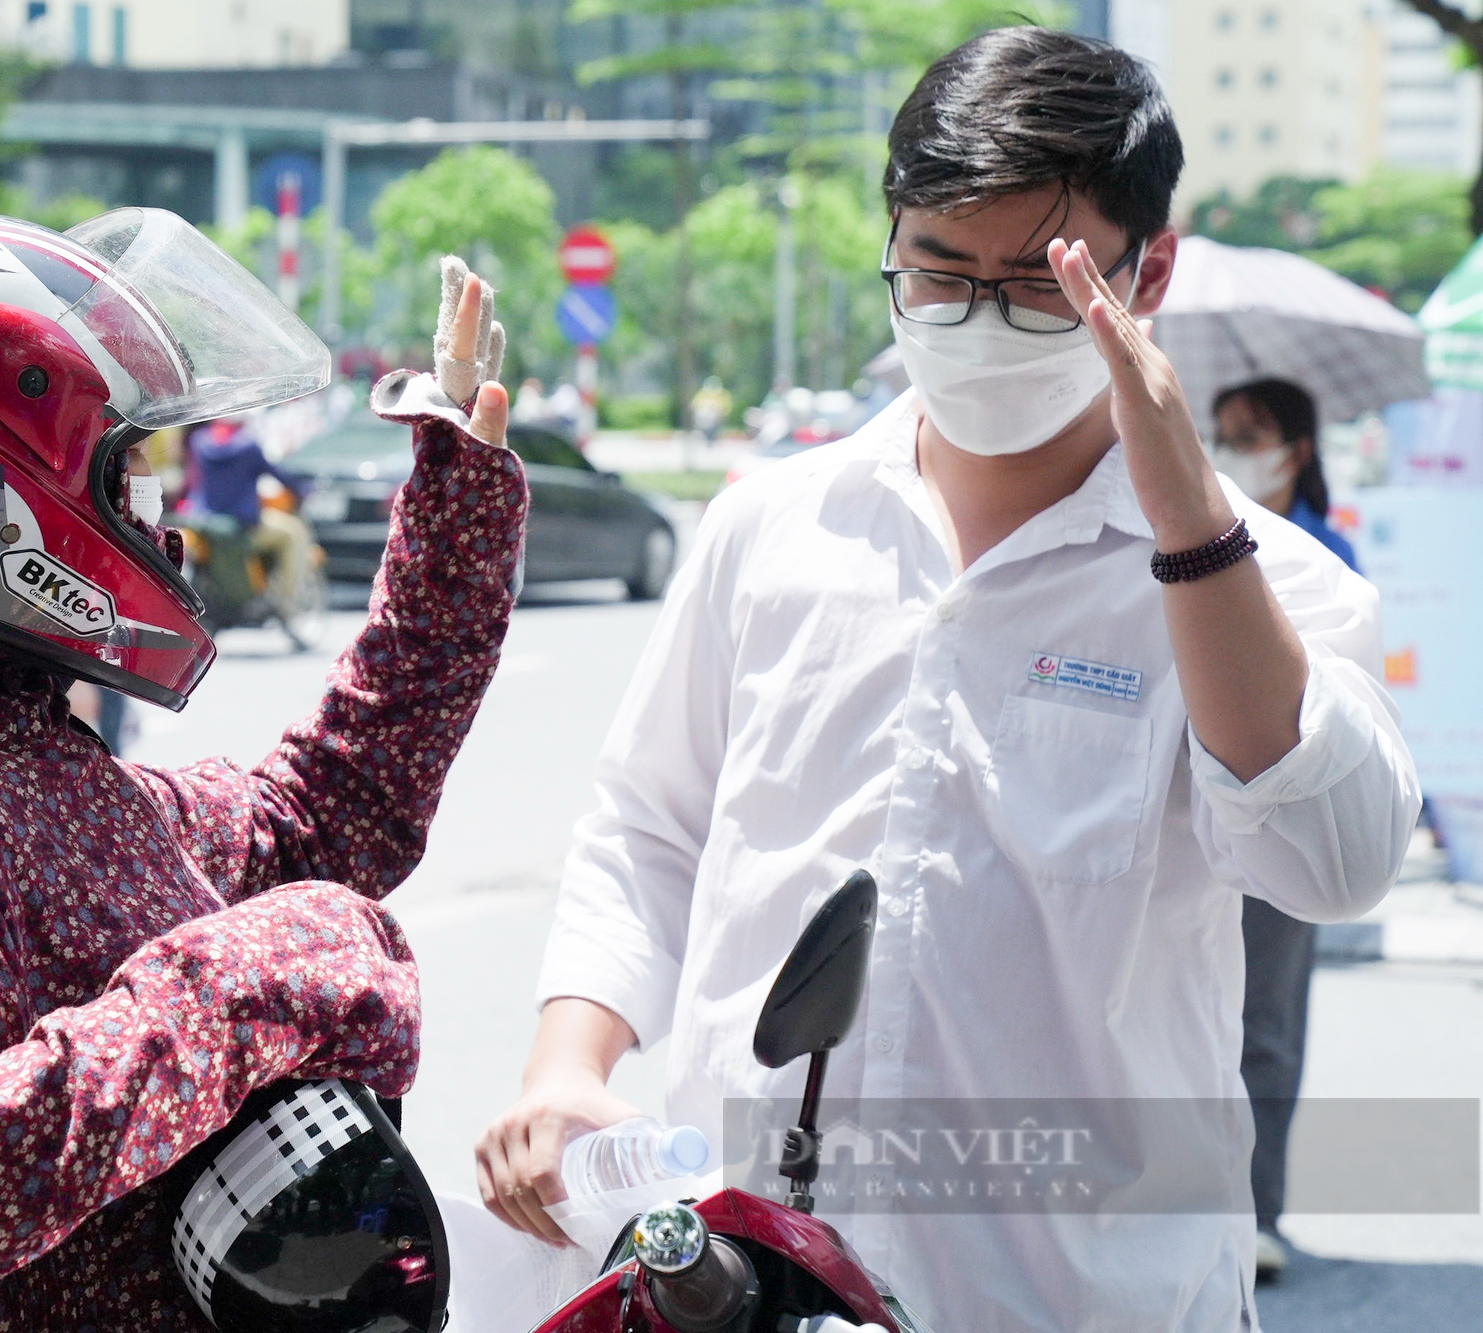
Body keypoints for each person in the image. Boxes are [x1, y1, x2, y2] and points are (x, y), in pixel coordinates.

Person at [476, 29, 1417, 1333]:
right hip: (746, 1278)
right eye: (940, 270)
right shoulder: (775, 526)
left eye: (1042, 283)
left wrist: (1194, 526)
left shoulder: (1267, 585)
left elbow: (1338, 860)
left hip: (1081, 1293)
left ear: (1152, 273)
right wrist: (567, 1062)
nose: (983, 322)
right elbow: (651, 826)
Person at [0, 208, 522, 1331]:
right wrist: (224, 996)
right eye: (128, 477)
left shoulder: (46, 771)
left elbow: (335, 809)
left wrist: (459, 493)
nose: (160, 521)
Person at [1210, 377, 1357, 1282]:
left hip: (1284, 799)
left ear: (1296, 449)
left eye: (1250, 434)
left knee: (1262, 1017)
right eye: (1219, 432)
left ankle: (1257, 1212)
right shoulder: (1186, 519)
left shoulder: (1327, 554)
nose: (1231, 448)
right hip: (1199, 795)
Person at [1212, 378, 1358, 570]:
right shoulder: (1198, 539)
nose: (1228, 454)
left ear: (1297, 453)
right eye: (1221, 442)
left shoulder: (1330, 555)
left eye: (1247, 439)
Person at [184, 415, 315, 609]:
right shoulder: (249, 447)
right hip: (241, 525)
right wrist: (303, 489)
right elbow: (278, 474)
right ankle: (284, 600)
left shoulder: (199, 442)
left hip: (205, 520)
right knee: (294, 532)